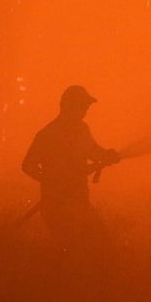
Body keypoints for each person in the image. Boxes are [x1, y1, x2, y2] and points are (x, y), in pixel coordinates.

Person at [22, 85, 120, 247]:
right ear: (68, 106)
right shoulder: (48, 135)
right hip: (56, 207)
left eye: (86, 106)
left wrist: (107, 155)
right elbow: (28, 165)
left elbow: (93, 152)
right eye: (82, 106)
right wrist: (51, 180)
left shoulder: (82, 130)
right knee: (71, 250)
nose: (85, 110)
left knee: (101, 244)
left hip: (80, 203)